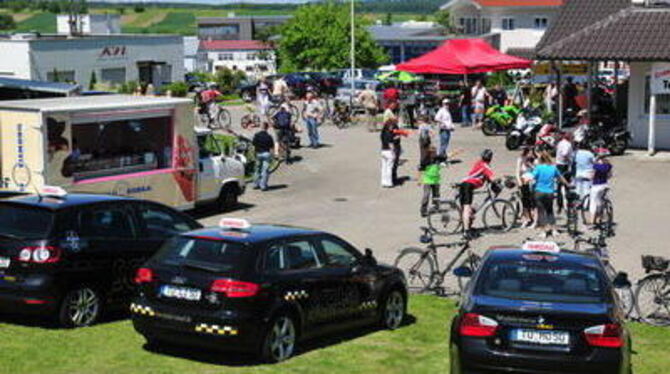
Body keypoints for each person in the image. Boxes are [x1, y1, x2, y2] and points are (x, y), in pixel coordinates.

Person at [531, 151, 569, 238]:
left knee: (541, 212)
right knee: (550, 211)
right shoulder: (553, 168)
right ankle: (554, 230)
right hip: (549, 192)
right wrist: (567, 184)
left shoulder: (538, 168)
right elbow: (561, 178)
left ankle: (543, 231)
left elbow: (532, 177)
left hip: (539, 191)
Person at [460, 149, 495, 238]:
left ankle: (466, 226)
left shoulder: (479, 163)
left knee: (467, 208)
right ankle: (466, 232)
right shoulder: (485, 166)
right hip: (468, 185)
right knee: (467, 208)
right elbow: (492, 178)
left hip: (465, 184)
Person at [588, 149, 613, 227]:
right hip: (604, 185)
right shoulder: (608, 165)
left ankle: (592, 221)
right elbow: (609, 175)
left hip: (596, 186)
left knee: (593, 203)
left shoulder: (596, 166)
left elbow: (592, 175)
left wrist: (589, 178)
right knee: (600, 202)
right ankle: (599, 218)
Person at [419, 146, 447, 217]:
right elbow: (420, 170)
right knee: (426, 195)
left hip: (436, 180)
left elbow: (446, 157)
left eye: (435, 152)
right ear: (429, 153)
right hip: (428, 180)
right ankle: (423, 209)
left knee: (436, 195)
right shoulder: (425, 161)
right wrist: (419, 180)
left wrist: (455, 152)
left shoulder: (438, 158)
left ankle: (436, 207)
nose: (434, 153)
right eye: (432, 152)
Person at [252, 122, 278, 191]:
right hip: (266, 153)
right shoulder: (269, 136)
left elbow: (254, 145)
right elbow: (272, 147)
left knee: (257, 169)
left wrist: (254, 153)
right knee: (265, 170)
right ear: (267, 128)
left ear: (261, 127)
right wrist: (273, 156)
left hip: (258, 153)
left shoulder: (257, 135)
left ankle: (255, 184)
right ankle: (263, 186)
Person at [516, 147, 536, 228]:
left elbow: (537, 170)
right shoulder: (520, 159)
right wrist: (519, 182)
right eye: (529, 153)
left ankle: (534, 219)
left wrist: (531, 165)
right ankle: (526, 219)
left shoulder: (534, 160)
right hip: (524, 182)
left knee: (533, 202)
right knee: (525, 201)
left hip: (532, 182)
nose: (531, 155)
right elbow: (517, 172)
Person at [555, 131, 574, 213]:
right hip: (564, 165)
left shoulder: (560, 143)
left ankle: (559, 205)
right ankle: (569, 204)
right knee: (567, 185)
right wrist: (569, 161)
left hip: (558, 164)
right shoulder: (568, 144)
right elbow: (565, 153)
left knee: (559, 186)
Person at [380, 119, 398, 188]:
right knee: (389, 167)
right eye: (391, 126)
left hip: (383, 150)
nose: (392, 127)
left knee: (384, 167)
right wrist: (394, 152)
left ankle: (383, 182)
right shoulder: (389, 133)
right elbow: (391, 144)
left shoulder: (383, 133)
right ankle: (389, 182)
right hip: (389, 151)